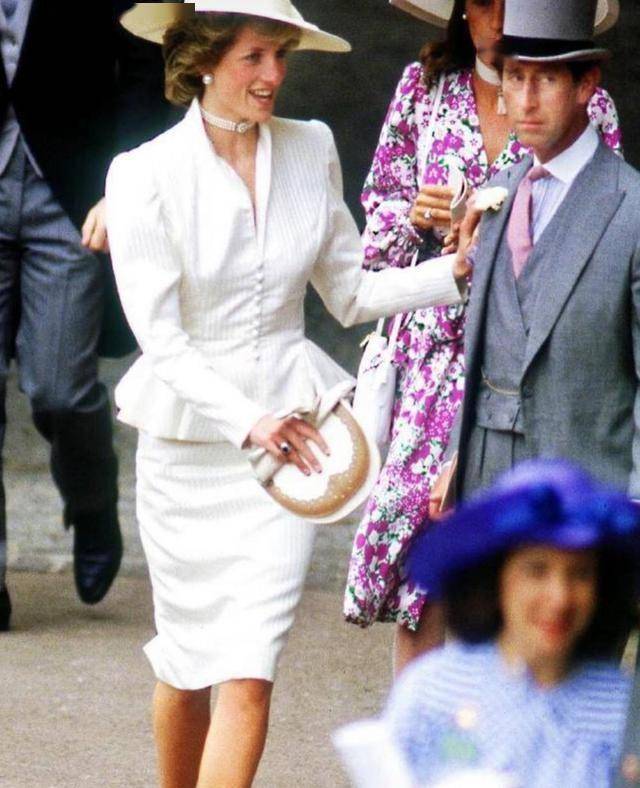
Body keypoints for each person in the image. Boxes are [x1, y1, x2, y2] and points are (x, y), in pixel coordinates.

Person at [105, 3, 473, 785]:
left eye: (282, 55)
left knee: (250, 669)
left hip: (294, 455)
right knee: (186, 666)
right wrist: (249, 421)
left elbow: (351, 292)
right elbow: (161, 339)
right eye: (254, 57)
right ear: (203, 60)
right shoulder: (142, 174)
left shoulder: (312, 147)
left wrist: (458, 272)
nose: (273, 74)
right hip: (188, 453)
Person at [343, 0, 621, 675]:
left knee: (514, 553)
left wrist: (492, 223)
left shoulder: (589, 105)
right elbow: (376, 225)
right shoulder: (425, 89)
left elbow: (598, 235)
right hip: (431, 354)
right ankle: (421, 730)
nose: (503, 15)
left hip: (527, 354)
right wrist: (416, 217)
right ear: (464, 9)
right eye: (489, 0)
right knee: (424, 566)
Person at [0, 0, 172, 630]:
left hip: (70, 196)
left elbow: (145, 63)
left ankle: (93, 499)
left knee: (61, 390)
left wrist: (121, 183)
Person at [434, 0, 640, 508]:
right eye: (514, 76)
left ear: (586, 85)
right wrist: (457, 459)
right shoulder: (498, 195)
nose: (525, 100)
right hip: (484, 487)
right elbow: (486, 353)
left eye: (545, 80)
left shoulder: (631, 207)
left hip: (585, 494)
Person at [384, 460, 640, 787]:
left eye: (580, 574)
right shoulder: (431, 692)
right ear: (494, 578)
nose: (560, 598)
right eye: (537, 570)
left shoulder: (625, 710)